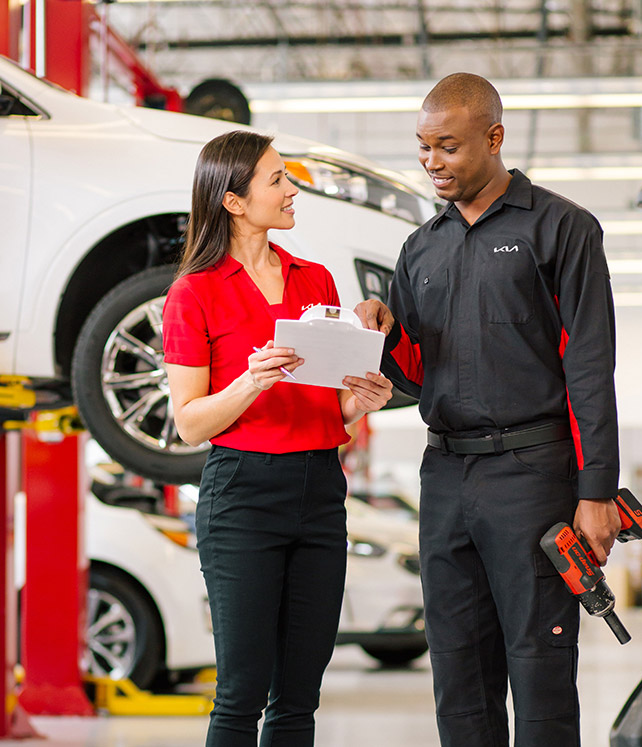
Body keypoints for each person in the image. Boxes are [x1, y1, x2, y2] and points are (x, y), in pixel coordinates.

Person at [354, 73, 621, 747]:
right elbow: (416, 371)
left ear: (494, 137)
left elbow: (589, 368)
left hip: (533, 474)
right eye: (422, 147)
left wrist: (595, 495)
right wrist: (384, 335)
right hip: (444, 477)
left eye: (447, 146)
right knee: (458, 667)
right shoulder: (421, 248)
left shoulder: (563, 229)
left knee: (540, 663)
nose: (432, 162)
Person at [162, 130, 393, 747]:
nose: (292, 190)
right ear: (234, 202)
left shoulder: (315, 280)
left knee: (298, 698)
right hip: (242, 493)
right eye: (277, 180)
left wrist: (357, 403)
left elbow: (326, 408)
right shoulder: (194, 293)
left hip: (319, 489)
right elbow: (189, 422)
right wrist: (249, 383)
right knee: (240, 694)